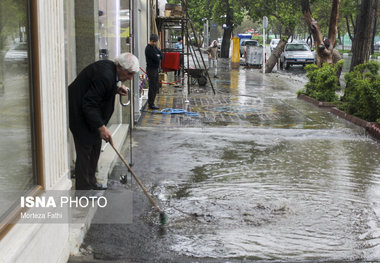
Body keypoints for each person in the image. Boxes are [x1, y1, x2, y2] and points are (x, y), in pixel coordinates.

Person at [68, 52, 139, 190]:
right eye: (129, 74)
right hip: (79, 112)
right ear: (119, 66)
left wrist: (116, 89)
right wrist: (101, 127)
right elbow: (89, 104)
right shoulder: (105, 75)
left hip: (89, 113)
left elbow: (99, 90)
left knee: (95, 146)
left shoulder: (110, 70)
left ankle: (92, 181)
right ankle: (84, 189)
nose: (130, 78)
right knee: (85, 150)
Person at [145, 34, 164, 110]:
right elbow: (156, 58)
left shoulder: (154, 47)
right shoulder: (149, 49)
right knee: (152, 86)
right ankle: (151, 104)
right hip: (151, 69)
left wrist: (159, 56)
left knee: (155, 86)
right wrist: (158, 56)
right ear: (151, 41)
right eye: (154, 42)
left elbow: (162, 55)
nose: (155, 43)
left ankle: (152, 102)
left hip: (155, 69)